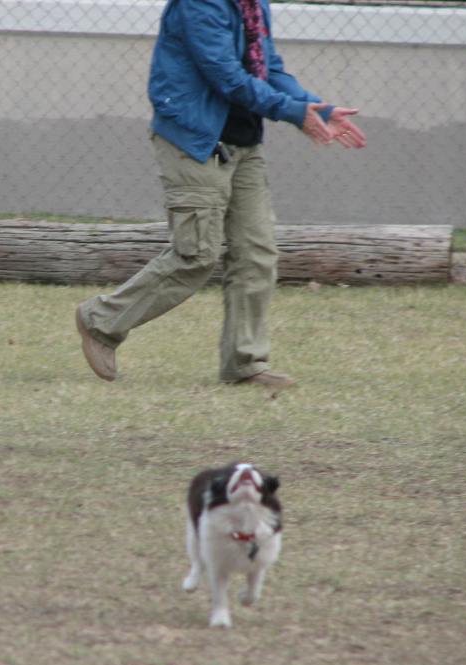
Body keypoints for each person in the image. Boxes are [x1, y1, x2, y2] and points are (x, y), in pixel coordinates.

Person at [76, 0, 366, 387]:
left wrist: (315, 106)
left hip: (244, 145)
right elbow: (227, 77)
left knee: (256, 252)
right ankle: (100, 321)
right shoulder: (199, 5)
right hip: (196, 143)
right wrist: (293, 112)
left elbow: (270, 69)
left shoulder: (252, 4)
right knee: (196, 255)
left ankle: (245, 365)